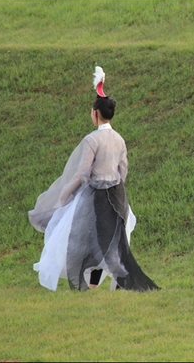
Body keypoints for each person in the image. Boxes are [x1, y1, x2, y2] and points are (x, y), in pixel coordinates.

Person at [29, 66, 160, 292]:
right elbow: (124, 169)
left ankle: (89, 281)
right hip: (117, 194)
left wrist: (67, 192)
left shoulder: (92, 140)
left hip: (97, 194)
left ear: (94, 113)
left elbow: (83, 172)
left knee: (86, 238)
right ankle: (114, 279)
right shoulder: (119, 139)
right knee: (113, 238)